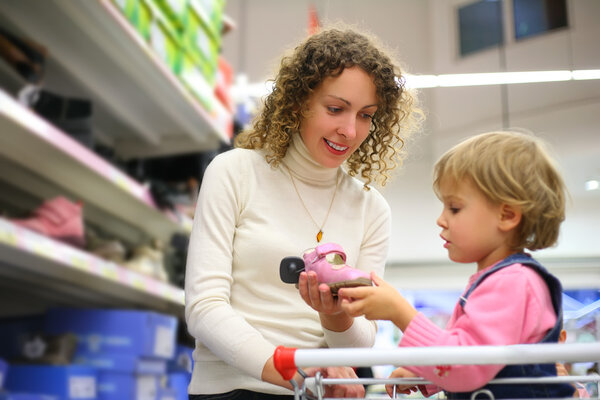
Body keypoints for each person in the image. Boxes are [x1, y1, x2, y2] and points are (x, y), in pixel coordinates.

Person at [184, 25, 423, 399]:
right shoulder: (234, 172)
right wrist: (288, 364)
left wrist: (333, 315)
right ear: (298, 101)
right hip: (233, 389)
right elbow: (204, 307)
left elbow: (359, 347)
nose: (349, 130)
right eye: (335, 109)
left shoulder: (371, 208)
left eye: (366, 115)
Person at [339, 131, 575, 399]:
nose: (441, 219)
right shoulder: (499, 280)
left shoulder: (513, 282)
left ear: (507, 215)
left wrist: (399, 312)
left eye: (454, 208)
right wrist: (429, 376)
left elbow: (467, 364)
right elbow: (486, 365)